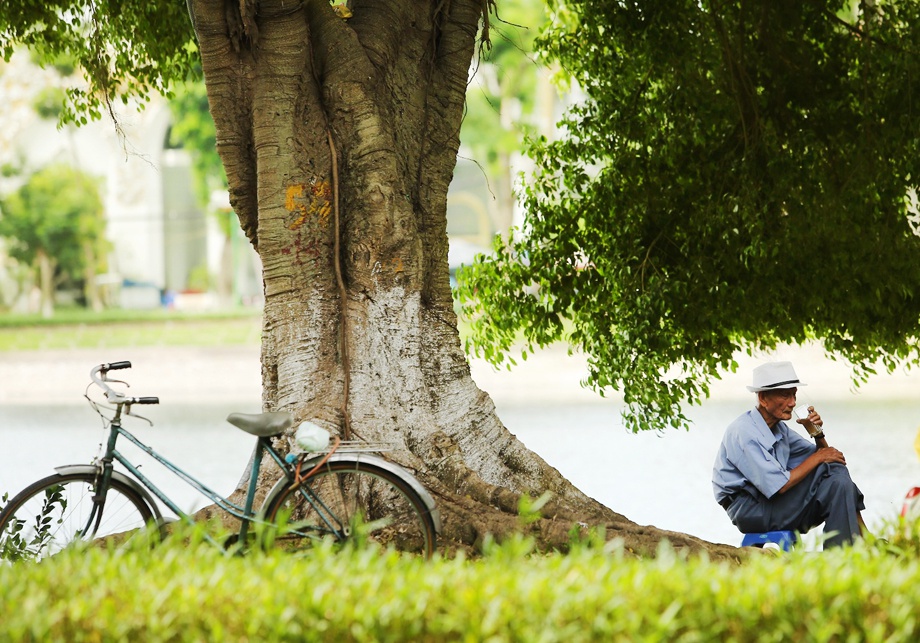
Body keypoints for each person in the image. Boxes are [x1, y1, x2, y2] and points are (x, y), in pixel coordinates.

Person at [712, 361, 867, 548]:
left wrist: (816, 431)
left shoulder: (779, 429)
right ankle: (862, 541)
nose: (792, 403)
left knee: (837, 478)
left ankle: (846, 550)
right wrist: (820, 457)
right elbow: (780, 486)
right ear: (763, 398)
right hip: (749, 509)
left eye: (794, 395)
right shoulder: (743, 432)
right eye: (785, 396)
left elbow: (829, 456)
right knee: (833, 475)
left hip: (774, 504)